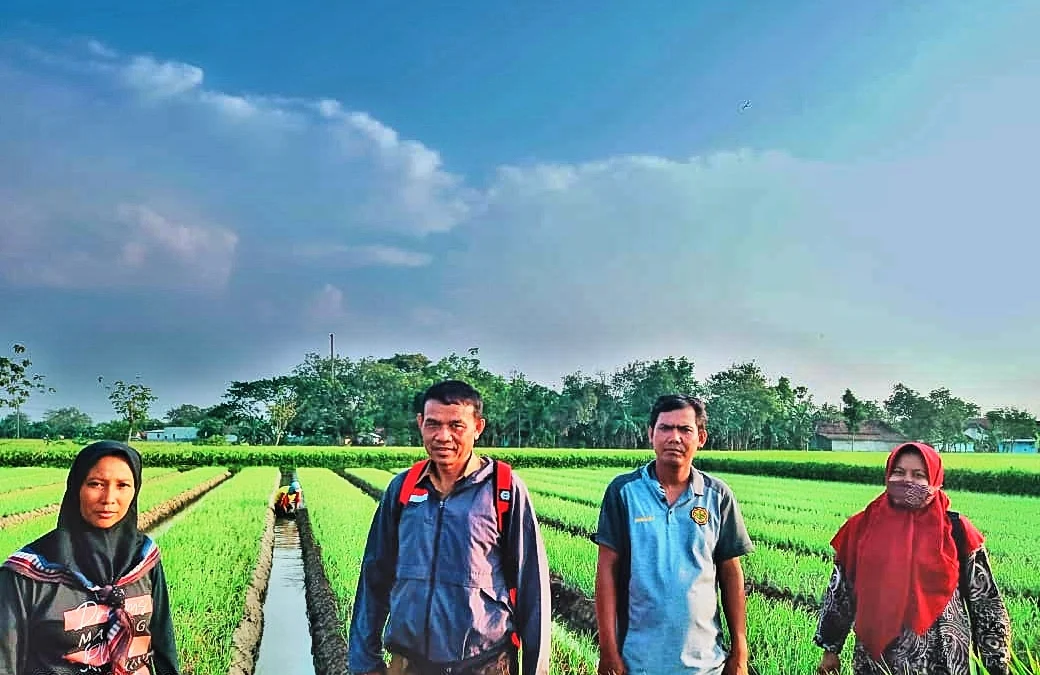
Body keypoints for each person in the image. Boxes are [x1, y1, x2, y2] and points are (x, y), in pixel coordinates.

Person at [348, 379, 551, 675]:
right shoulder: (403, 489)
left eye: (456, 426)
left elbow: (532, 586)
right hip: (409, 664)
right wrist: (365, 663)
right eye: (433, 424)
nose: (443, 436)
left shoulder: (504, 489)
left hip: (486, 663)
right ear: (420, 424)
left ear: (478, 427)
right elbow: (374, 578)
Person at [815, 442, 1011, 675]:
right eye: (899, 472)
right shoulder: (861, 527)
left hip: (944, 660)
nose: (907, 481)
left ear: (934, 480)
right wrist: (830, 649)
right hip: (876, 662)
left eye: (919, 475)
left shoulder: (957, 530)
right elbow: (840, 593)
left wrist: (995, 663)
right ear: (888, 475)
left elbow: (986, 602)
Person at [594, 394, 754, 675]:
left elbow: (731, 574)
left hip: (706, 666)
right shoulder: (623, 492)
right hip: (638, 664)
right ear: (650, 434)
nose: (674, 437)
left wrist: (740, 650)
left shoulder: (718, 496)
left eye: (684, 429)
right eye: (665, 428)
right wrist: (608, 651)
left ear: (700, 438)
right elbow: (606, 570)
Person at [0, 440, 180, 675]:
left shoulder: (144, 559)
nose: (109, 498)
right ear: (76, 488)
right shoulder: (26, 573)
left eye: (123, 485)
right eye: (96, 484)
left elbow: (163, 641)